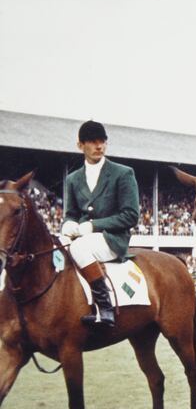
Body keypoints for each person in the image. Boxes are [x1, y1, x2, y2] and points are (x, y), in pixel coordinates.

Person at [62, 120, 140, 328]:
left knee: (79, 248)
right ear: (80, 145)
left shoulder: (123, 173)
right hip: (84, 237)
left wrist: (93, 225)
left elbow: (131, 216)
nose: (99, 146)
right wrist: (68, 224)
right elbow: (71, 214)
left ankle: (105, 308)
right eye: (92, 142)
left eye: (102, 141)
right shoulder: (73, 179)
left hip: (113, 239)